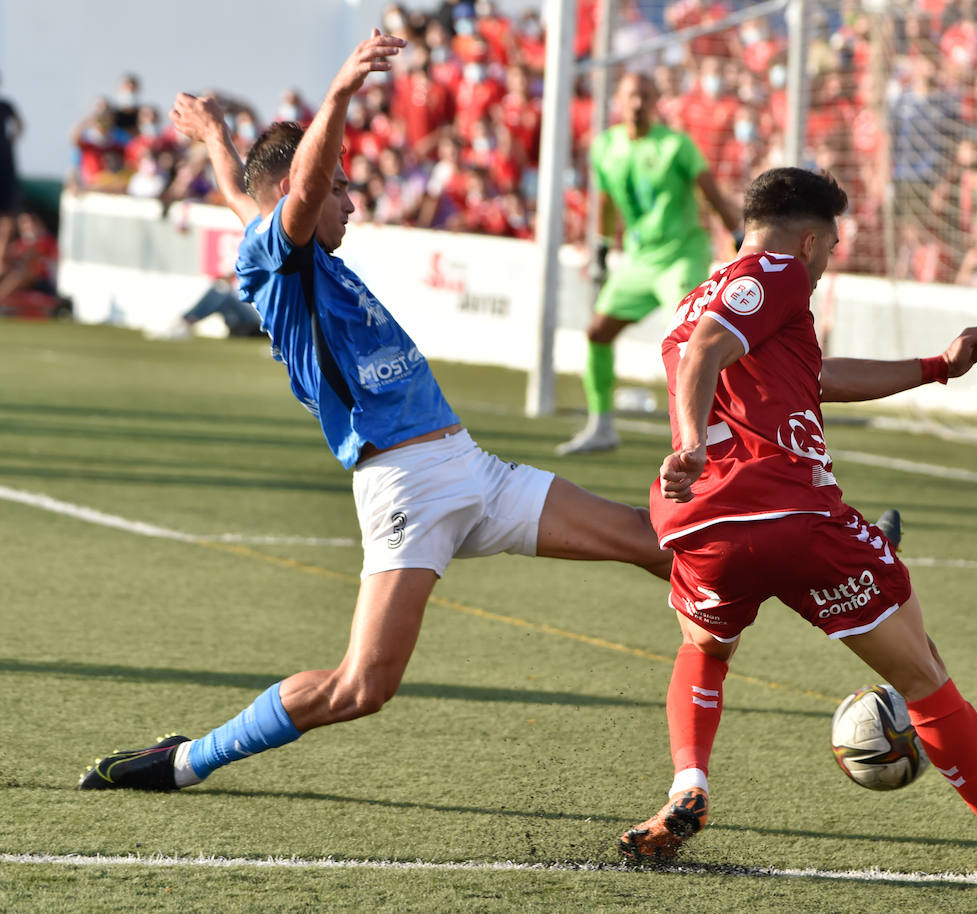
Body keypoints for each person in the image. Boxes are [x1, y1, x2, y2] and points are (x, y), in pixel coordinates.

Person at [78, 31, 672, 794]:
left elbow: (242, 192)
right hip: (407, 486)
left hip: (473, 469)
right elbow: (290, 192)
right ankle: (187, 759)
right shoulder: (278, 257)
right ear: (303, 187)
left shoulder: (286, 244)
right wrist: (342, 89)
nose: (352, 202)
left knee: (650, 539)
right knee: (362, 688)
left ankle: (825, 553)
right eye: (341, 187)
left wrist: (218, 137)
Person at [617, 167, 977, 880]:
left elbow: (815, 377)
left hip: (706, 530)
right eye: (832, 246)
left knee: (705, 648)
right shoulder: (774, 273)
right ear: (810, 240)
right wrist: (686, 443)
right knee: (923, 672)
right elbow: (706, 353)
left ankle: (689, 787)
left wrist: (938, 366)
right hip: (791, 513)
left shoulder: (703, 296)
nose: (828, 262)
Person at [556, 71, 743, 456]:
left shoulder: (676, 145)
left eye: (645, 95)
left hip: (681, 255)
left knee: (692, 340)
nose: (637, 103)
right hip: (640, 261)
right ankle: (602, 425)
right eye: (630, 96)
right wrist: (604, 246)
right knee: (598, 332)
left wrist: (740, 237)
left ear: (657, 100)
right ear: (619, 102)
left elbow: (711, 194)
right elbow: (606, 201)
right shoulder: (605, 146)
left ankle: (715, 431)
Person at [0, 72, 22, 257]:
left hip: (5, 167)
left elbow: (20, 124)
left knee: (8, 212)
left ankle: (2, 253)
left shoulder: (6, 106)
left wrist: (15, 137)